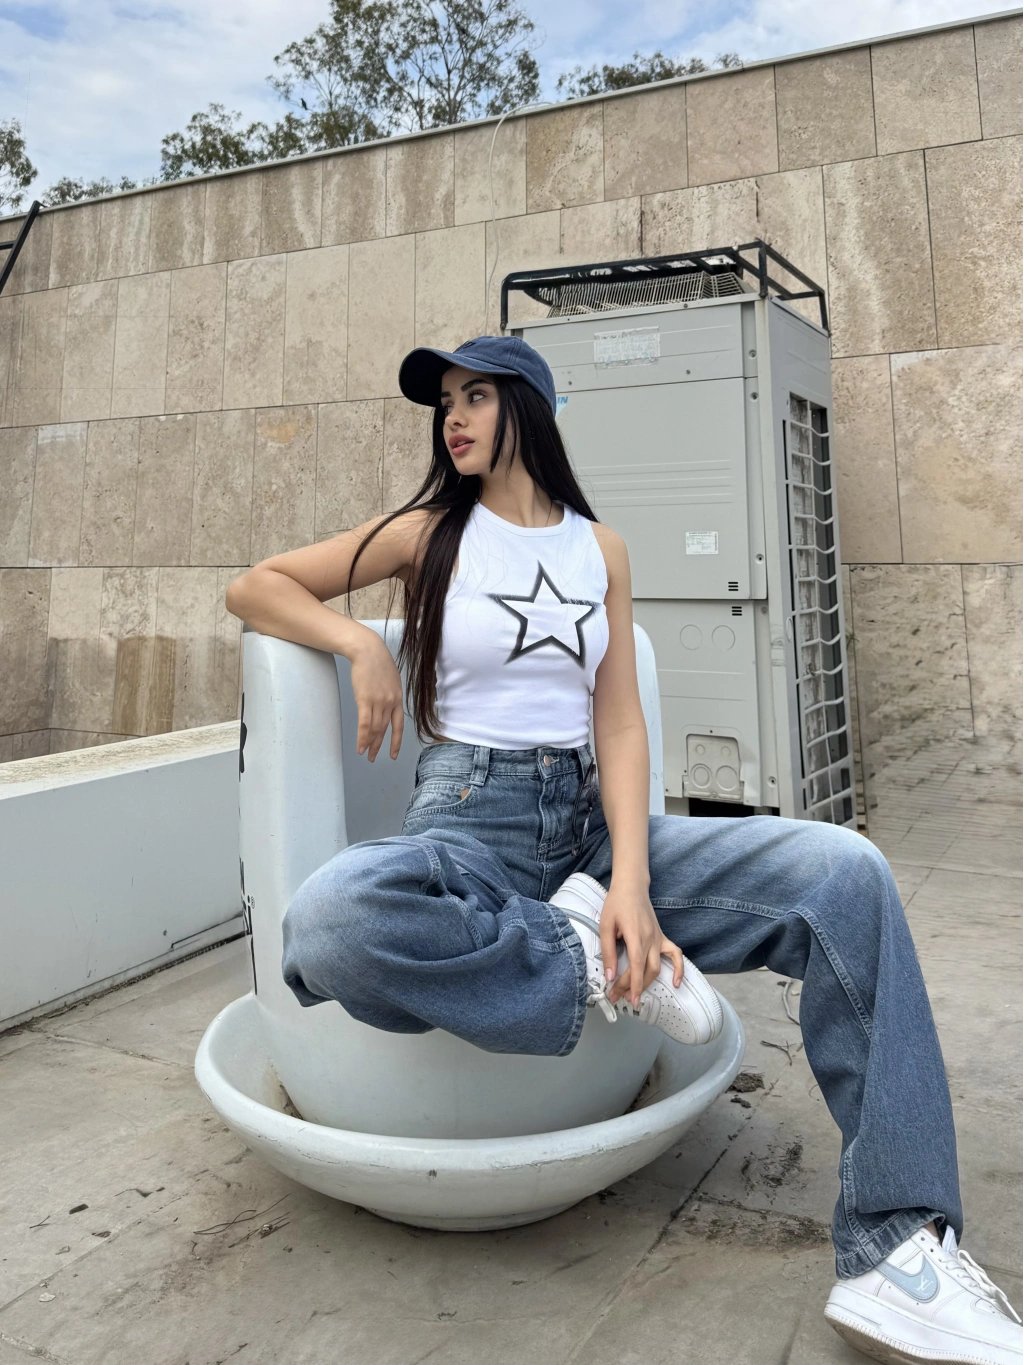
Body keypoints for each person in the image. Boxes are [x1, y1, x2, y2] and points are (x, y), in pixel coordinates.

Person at [224, 335, 1022, 1365]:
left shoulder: (599, 550)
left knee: (845, 874)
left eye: (476, 395)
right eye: (445, 402)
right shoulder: (430, 533)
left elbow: (620, 724)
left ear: (529, 408)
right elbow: (257, 586)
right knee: (334, 919)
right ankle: (578, 958)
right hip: (468, 823)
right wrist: (357, 644)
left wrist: (630, 886)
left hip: (597, 832)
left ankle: (897, 1250)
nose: (452, 417)